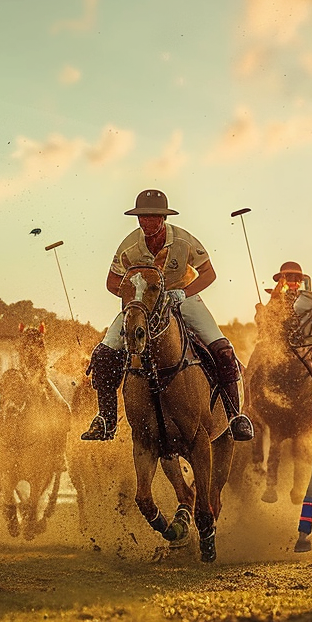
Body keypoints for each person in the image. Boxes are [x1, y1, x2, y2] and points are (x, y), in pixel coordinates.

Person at [80, 188, 254, 441]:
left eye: (153, 217)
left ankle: (234, 416)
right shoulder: (129, 246)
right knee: (104, 353)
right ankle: (106, 419)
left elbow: (209, 273)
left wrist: (183, 292)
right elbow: (111, 281)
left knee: (222, 348)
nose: (147, 222)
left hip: (182, 297)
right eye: (142, 217)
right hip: (142, 305)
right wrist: (136, 298)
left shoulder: (184, 241)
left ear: (164, 218)